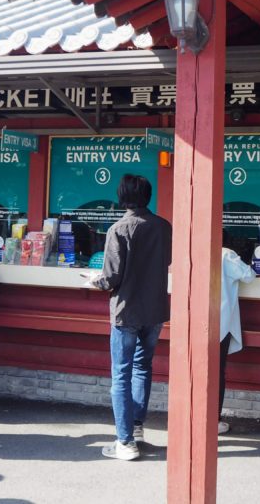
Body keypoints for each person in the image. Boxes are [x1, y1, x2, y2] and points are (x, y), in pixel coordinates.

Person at [88, 174, 171, 461]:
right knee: (142, 367)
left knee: (121, 373)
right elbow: (167, 261)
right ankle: (136, 428)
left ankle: (124, 442)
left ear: (122, 196)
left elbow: (111, 278)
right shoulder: (163, 226)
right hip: (156, 309)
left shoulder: (118, 229)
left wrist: (93, 281)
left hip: (126, 311)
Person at [218, 240, 254, 435]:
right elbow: (249, 276)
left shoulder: (191, 248)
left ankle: (194, 416)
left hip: (194, 321)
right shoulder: (226, 254)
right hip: (219, 322)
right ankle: (213, 419)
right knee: (216, 371)